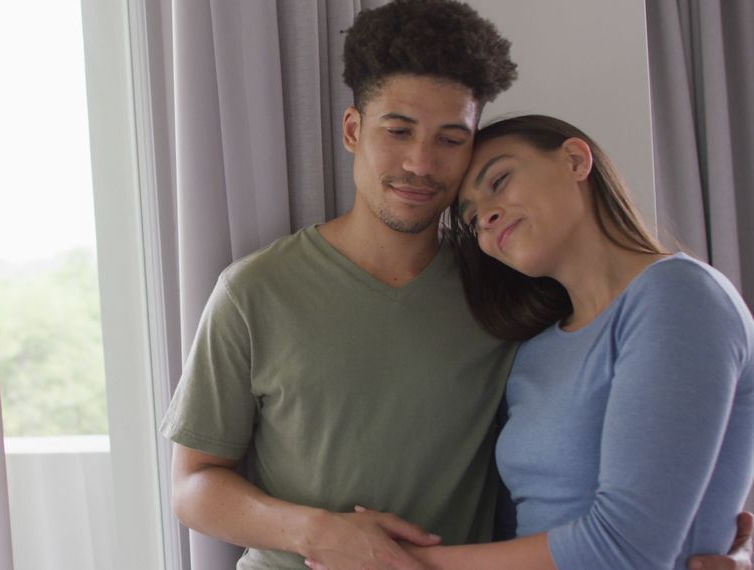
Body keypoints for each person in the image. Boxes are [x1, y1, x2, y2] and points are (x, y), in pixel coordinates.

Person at [160, 1, 754, 569]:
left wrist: (720, 533)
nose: (421, 163)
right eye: (398, 131)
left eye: (450, 139)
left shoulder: (507, 295)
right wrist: (320, 534)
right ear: (353, 129)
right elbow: (192, 485)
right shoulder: (253, 291)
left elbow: (642, 453)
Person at [363, 114, 754, 569]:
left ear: (575, 160)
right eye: (472, 218)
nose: (486, 217)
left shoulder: (679, 294)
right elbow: (513, 535)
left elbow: (627, 552)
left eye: (500, 181)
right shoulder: (532, 354)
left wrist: (395, 562)